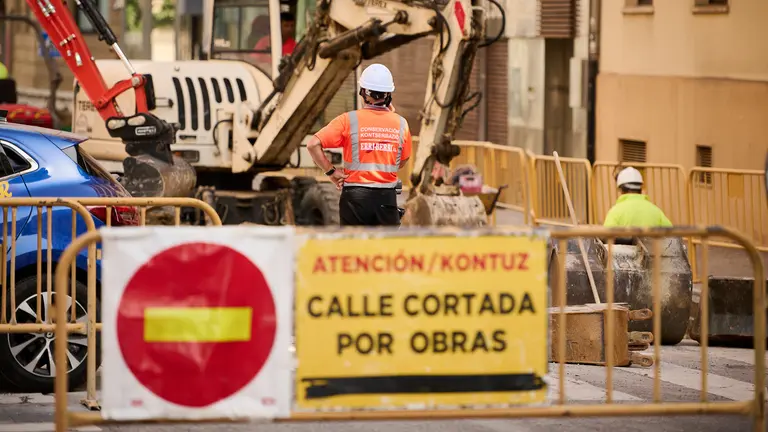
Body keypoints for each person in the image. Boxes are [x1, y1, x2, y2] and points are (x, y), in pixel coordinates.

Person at [306, 63, 412, 226]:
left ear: (363, 92)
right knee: (384, 250)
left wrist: (331, 172)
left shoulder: (348, 120)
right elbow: (402, 160)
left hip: (354, 199)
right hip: (386, 199)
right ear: (388, 94)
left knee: (352, 249)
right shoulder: (401, 124)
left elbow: (313, 144)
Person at [603, 167, 672, 228]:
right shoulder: (656, 211)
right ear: (641, 188)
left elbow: (605, 237)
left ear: (621, 189)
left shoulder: (615, 212)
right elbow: (672, 235)